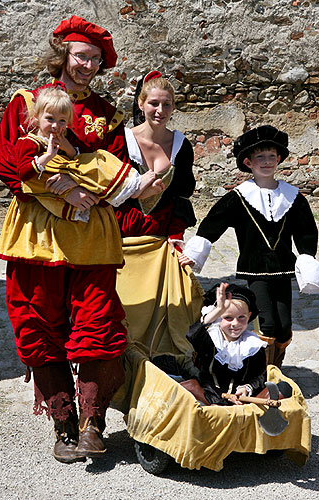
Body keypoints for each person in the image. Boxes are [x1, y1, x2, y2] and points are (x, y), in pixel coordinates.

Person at [0, 16, 130, 465]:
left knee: (98, 323)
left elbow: (117, 173)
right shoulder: (28, 101)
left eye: (94, 59)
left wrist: (81, 178)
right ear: (63, 55)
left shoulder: (107, 114)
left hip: (92, 233)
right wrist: (66, 185)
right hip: (36, 234)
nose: (87, 65)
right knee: (38, 323)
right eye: (80, 56)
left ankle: (93, 422)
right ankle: (63, 423)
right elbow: (9, 165)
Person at [180, 125, 319, 368]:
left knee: (284, 326)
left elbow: (306, 231)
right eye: (260, 157)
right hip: (254, 270)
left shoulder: (292, 197)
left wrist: (307, 257)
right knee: (265, 323)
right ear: (248, 162)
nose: (266, 162)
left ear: (278, 159)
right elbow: (214, 223)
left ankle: (277, 368)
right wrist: (196, 251)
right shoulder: (239, 197)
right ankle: (264, 374)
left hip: (283, 269)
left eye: (271, 156)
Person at [112, 71, 201, 362]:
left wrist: (176, 236)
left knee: (165, 313)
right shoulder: (121, 141)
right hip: (121, 240)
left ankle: (155, 364)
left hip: (160, 240)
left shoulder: (180, 146)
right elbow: (107, 191)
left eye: (166, 105)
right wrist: (135, 190)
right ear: (141, 104)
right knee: (125, 309)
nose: (159, 111)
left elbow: (180, 198)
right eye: (153, 103)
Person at [12, 84, 162, 222]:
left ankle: (131, 188)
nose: (55, 126)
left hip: (68, 174)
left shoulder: (63, 137)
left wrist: (67, 147)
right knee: (93, 164)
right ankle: (131, 189)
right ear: (37, 117)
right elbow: (23, 173)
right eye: (49, 119)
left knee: (99, 158)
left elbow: (74, 158)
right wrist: (48, 156)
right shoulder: (29, 142)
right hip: (49, 190)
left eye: (62, 121)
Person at [186, 283, 267, 406]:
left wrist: (246, 388)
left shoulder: (252, 345)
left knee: (283, 389)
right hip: (209, 396)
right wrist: (218, 309)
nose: (235, 323)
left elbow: (260, 376)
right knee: (188, 387)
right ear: (219, 318)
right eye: (228, 318)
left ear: (249, 316)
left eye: (241, 317)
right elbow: (192, 334)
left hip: (242, 401)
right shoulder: (211, 339)